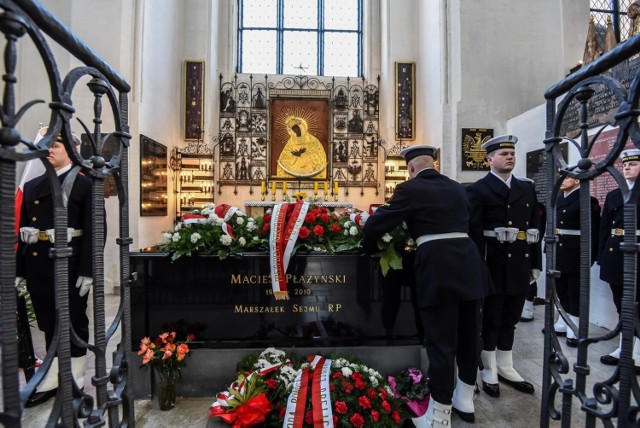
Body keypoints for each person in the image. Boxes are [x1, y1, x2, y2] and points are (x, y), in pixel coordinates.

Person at [362, 145, 487, 426]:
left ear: (410, 169)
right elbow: (474, 228)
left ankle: (439, 415)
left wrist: (367, 246)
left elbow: (378, 224)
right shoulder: (458, 188)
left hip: (439, 269)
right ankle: (465, 400)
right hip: (470, 266)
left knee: (441, 342)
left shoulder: (411, 189)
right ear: (435, 164)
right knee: (469, 335)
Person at [15, 134, 94, 407]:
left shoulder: (84, 185)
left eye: (55, 145)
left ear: (72, 151)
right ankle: (52, 375)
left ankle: (75, 376)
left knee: (73, 321)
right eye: (47, 145)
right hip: (39, 263)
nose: (48, 150)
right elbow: (25, 233)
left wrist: (89, 270)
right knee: (48, 322)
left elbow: (95, 230)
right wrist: (20, 270)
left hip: (70, 266)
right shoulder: (33, 184)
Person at [467, 134, 542, 398]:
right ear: (489, 160)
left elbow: (534, 230)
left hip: (520, 264)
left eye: (511, 153)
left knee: (511, 318)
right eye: (503, 154)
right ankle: (489, 368)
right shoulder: (478, 190)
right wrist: (476, 268)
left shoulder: (526, 189)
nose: (509, 157)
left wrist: (536, 263)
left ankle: (506, 365)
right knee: (491, 318)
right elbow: (473, 234)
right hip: (493, 263)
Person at [598, 149, 640, 369]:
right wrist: (601, 256)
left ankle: (638, 351)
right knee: (621, 303)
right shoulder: (614, 195)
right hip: (615, 255)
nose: (626, 167)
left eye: (632, 164)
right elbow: (605, 227)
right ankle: (625, 345)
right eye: (624, 164)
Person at [553, 176, 600, 347]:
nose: (562, 180)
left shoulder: (587, 200)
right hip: (559, 250)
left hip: (576, 252)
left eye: (567, 177)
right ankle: (563, 321)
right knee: (561, 288)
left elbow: (593, 230)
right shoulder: (558, 198)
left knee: (575, 290)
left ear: (578, 181)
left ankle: (575, 326)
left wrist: (592, 255)